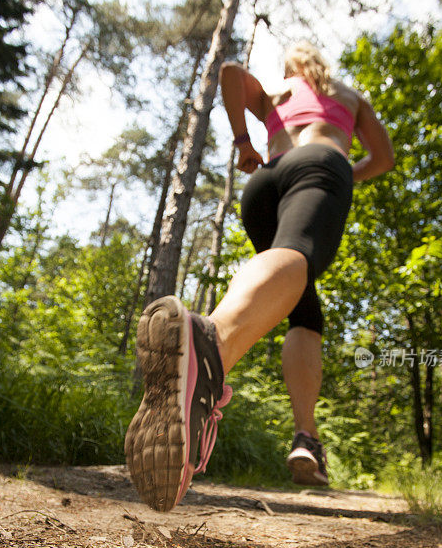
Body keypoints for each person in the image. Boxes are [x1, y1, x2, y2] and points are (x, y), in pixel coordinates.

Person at [125, 40, 394, 512]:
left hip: (265, 180)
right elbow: (385, 156)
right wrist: (344, 173)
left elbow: (230, 73)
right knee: (298, 254)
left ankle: (306, 438)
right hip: (320, 163)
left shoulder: (278, 91)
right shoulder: (348, 95)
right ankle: (210, 346)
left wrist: (244, 141)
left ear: (291, 66)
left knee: (304, 310)